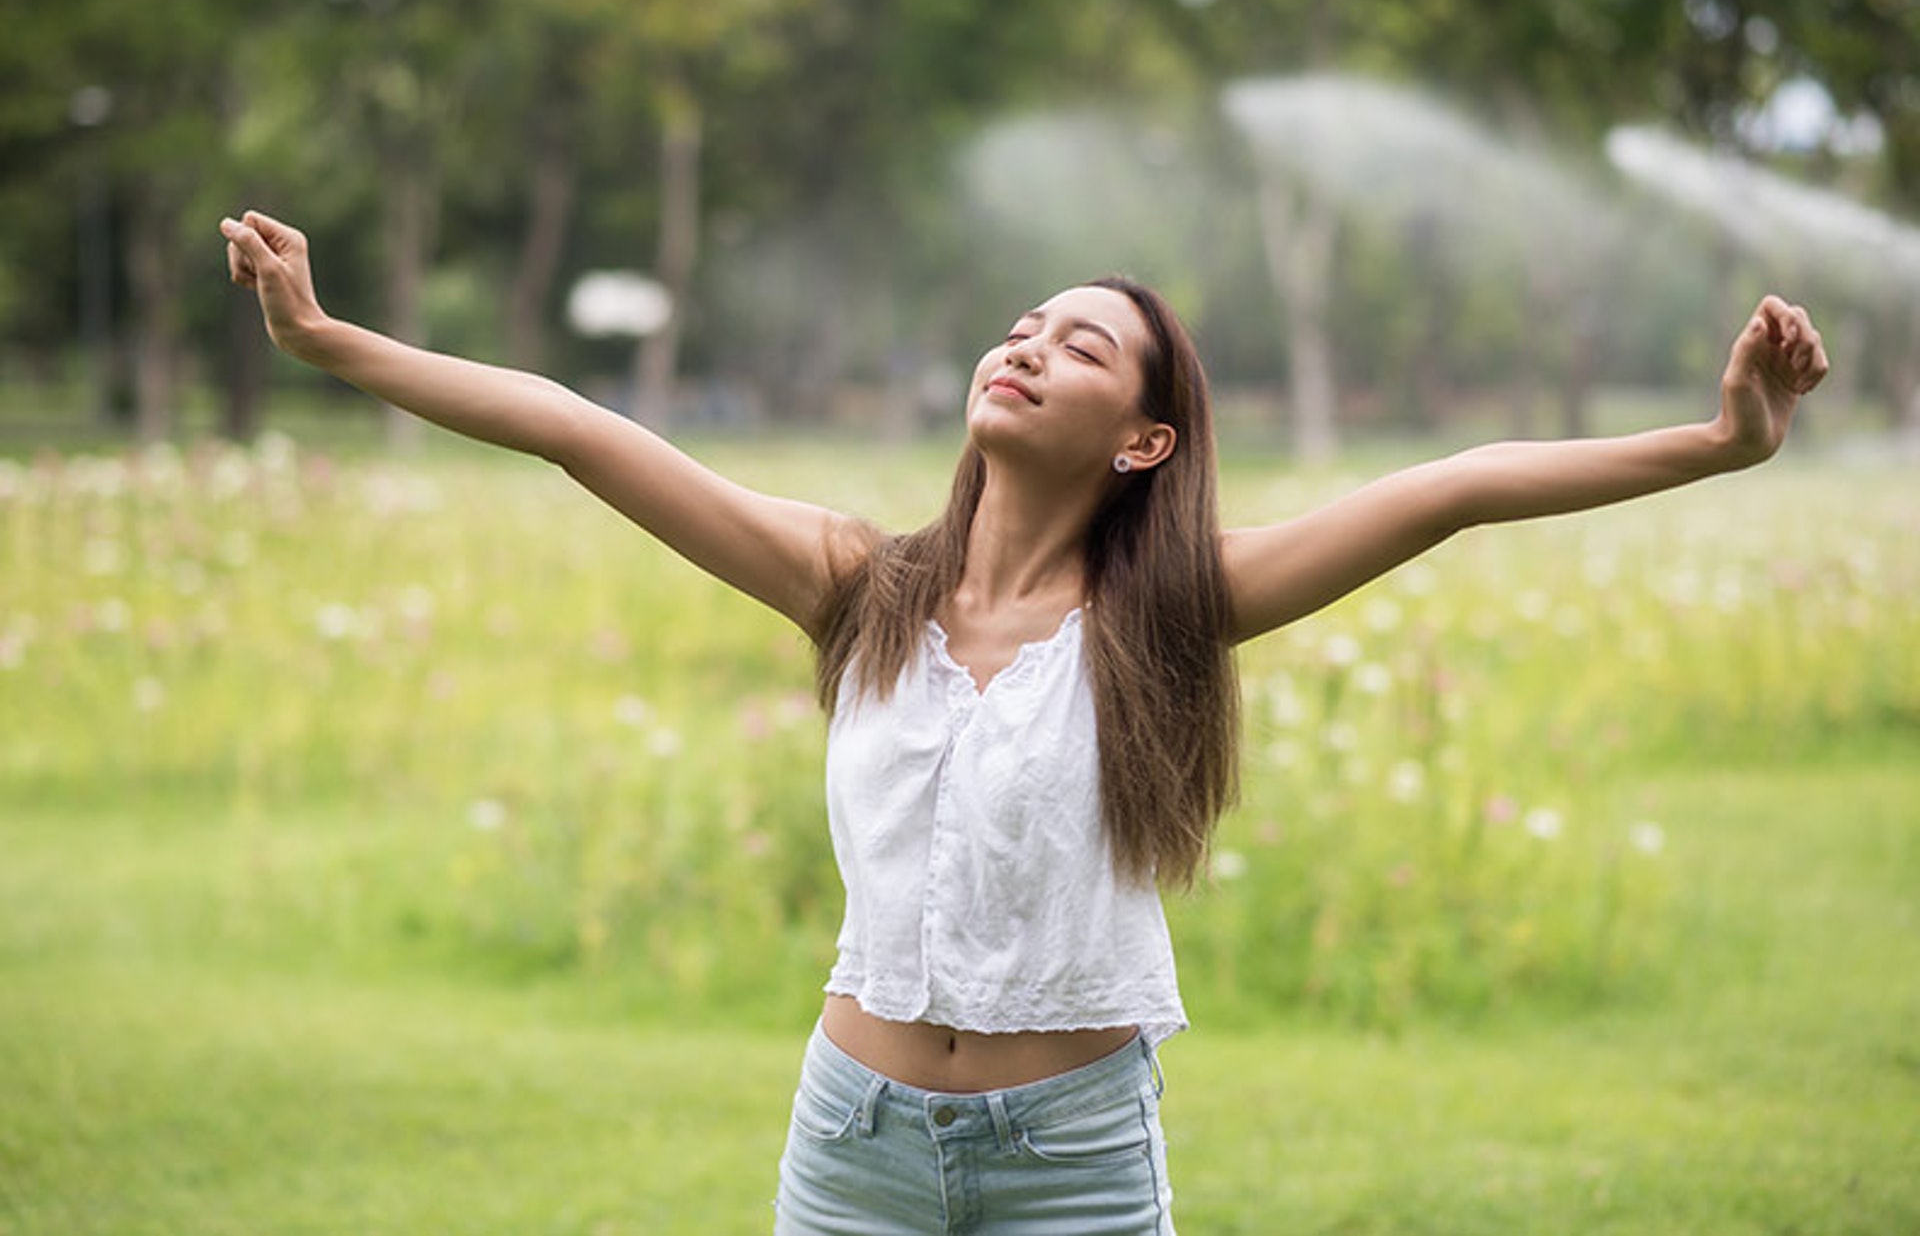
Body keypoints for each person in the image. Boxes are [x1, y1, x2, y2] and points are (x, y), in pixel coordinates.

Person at [220, 208, 1828, 1234]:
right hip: (848, 1140)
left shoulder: (1170, 612)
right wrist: (323, 338)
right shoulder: (854, 583)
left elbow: (1454, 489)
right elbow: (578, 428)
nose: (1024, 345)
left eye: (1078, 344)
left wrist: (1720, 440)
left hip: (1074, 1153)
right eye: (1020, 325)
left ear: (1142, 440)